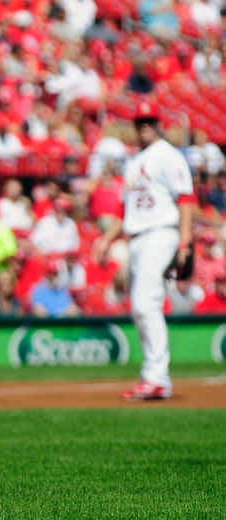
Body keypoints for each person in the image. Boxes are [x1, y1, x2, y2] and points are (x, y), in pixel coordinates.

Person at [94, 102, 196, 400]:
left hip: (160, 233)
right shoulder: (134, 161)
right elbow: (126, 209)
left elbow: (186, 198)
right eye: (140, 121)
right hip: (137, 236)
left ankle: (157, 378)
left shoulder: (168, 155)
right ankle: (153, 375)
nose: (145, 126)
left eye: (150, 121)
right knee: (140, 306)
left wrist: (185, 241)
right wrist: (105, 239)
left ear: (159, 123)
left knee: (144, 302)